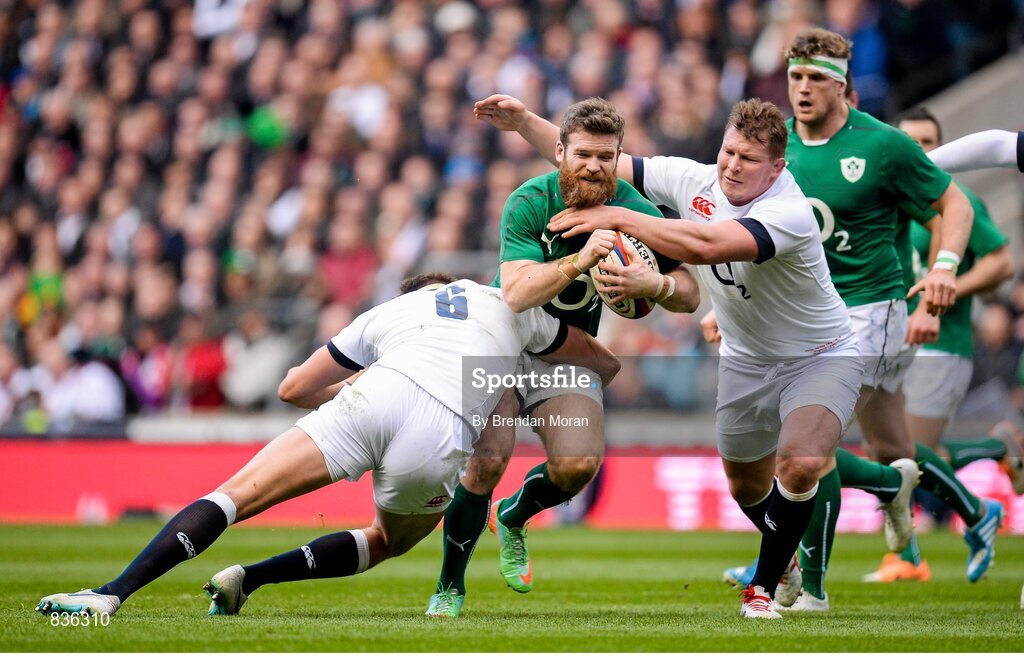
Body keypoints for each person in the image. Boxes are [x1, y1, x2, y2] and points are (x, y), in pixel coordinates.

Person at [482, 92, 882, 619]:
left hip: (820, 352)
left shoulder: (789, 212)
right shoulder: (697, 180)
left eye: (749, 160)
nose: (733, 167)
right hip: (745, 356)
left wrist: (618, 216)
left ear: (777, 168)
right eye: (729, 152)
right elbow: (598, 160)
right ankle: (790, 554)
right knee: (745, 482)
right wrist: (524, 122)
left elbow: (703, 246)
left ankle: (762, 588)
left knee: (802, 463)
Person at [34, 273, 621, 617]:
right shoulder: (507, 303)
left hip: (376, 395)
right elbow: (604, 363)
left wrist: (353, 392)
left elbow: (292, 387)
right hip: (440, 430)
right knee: (387, 542)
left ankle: (110, 595)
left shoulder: (386, 312)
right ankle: (255, 578)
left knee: (233, 497)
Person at [427, 97, 700, 618]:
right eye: (583, 155)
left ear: (617, 157)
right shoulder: (529, 201)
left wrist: (657, 283)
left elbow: (690, 293)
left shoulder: (634, 211)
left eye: (605, 156)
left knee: (578, 465)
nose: (594, 167)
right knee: (487, 460)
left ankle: (513, 515)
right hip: (502, 346)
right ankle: (449, 587)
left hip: (568, 354)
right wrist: (583, 258)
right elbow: (516, 294)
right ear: (560, 151)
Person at [863, 107, 1015, 583]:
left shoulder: (957, 198)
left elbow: (1000, 264)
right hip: (891, 338)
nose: (920, 152)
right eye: (910, 143)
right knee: (891, 453)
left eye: (927, 142)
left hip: (941, 341)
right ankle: (994, 451)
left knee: (907, 455)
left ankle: (910, 555)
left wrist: (944, 287)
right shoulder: (884, 199)